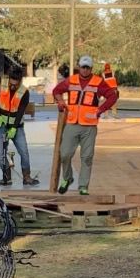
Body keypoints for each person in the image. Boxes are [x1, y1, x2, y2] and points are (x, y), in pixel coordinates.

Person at [51, 54, 118, 193]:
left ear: (91, 68)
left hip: (89, 126)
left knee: (87, 157)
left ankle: (83, 186)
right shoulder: (72, 80)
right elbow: (57, 91)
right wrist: (61, 101)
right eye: (83, 67)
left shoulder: (98, 82)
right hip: (72, 123)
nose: (85, 70)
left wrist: (101, 109)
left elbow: (113, 95)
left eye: (88, 68)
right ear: (79, 67)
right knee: (65, 154)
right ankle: (67, 178)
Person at [0, 69, 37, 187]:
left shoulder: (24, 92)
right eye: (11, 84)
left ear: (20, 82)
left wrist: (14, 128)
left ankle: (26, 177)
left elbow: (21, 112)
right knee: (1, 153)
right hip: (1, 126)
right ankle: (7, 177)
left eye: (15, 85)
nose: (12, 86)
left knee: (24, 152)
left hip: (17, 128)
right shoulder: (1, 84)